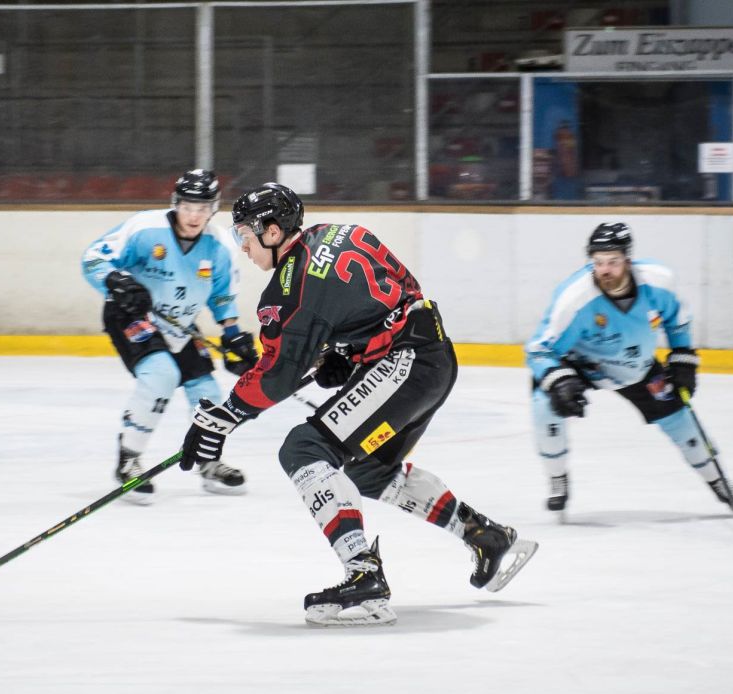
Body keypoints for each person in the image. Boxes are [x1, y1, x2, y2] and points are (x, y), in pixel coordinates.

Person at [178, 182, 537, 626]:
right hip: (432, 358)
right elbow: (393, 296)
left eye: (244, 237)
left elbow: (278, 375)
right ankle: (483, 534)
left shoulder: (288, 292)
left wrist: (222, 418)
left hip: (405, 365)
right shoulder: (336, 233)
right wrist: (348, 352)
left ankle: (364, 575)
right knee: (369, 471)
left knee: (304, 450)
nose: (243, 249)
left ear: (272, 232)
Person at [526, 222, 733, 516]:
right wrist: (559, 381)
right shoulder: (574, 299)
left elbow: (677, 320)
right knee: (545, 407)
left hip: (637, 367)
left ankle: (719, 481)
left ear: (628, 260)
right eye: (597, 263)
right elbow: (539, 349)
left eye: (612, 262)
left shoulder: (658, 283)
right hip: (580, 365)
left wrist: (682, 357)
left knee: (680, 419)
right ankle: (557, 477)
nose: (604, 270)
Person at [82, 169, 259, 504]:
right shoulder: (145, 229)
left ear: (214, 208)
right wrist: (116, 281)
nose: (195, 215)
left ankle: (208, 460)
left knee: (207, 391)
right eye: (189, 206)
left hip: (180, 326)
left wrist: (233, 335)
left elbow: (222, 295)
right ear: (176, 203)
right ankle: (128, 459)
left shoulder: (220, 246)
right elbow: (94, 258)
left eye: (203, 208)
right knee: (162, 375)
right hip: (132, 316)